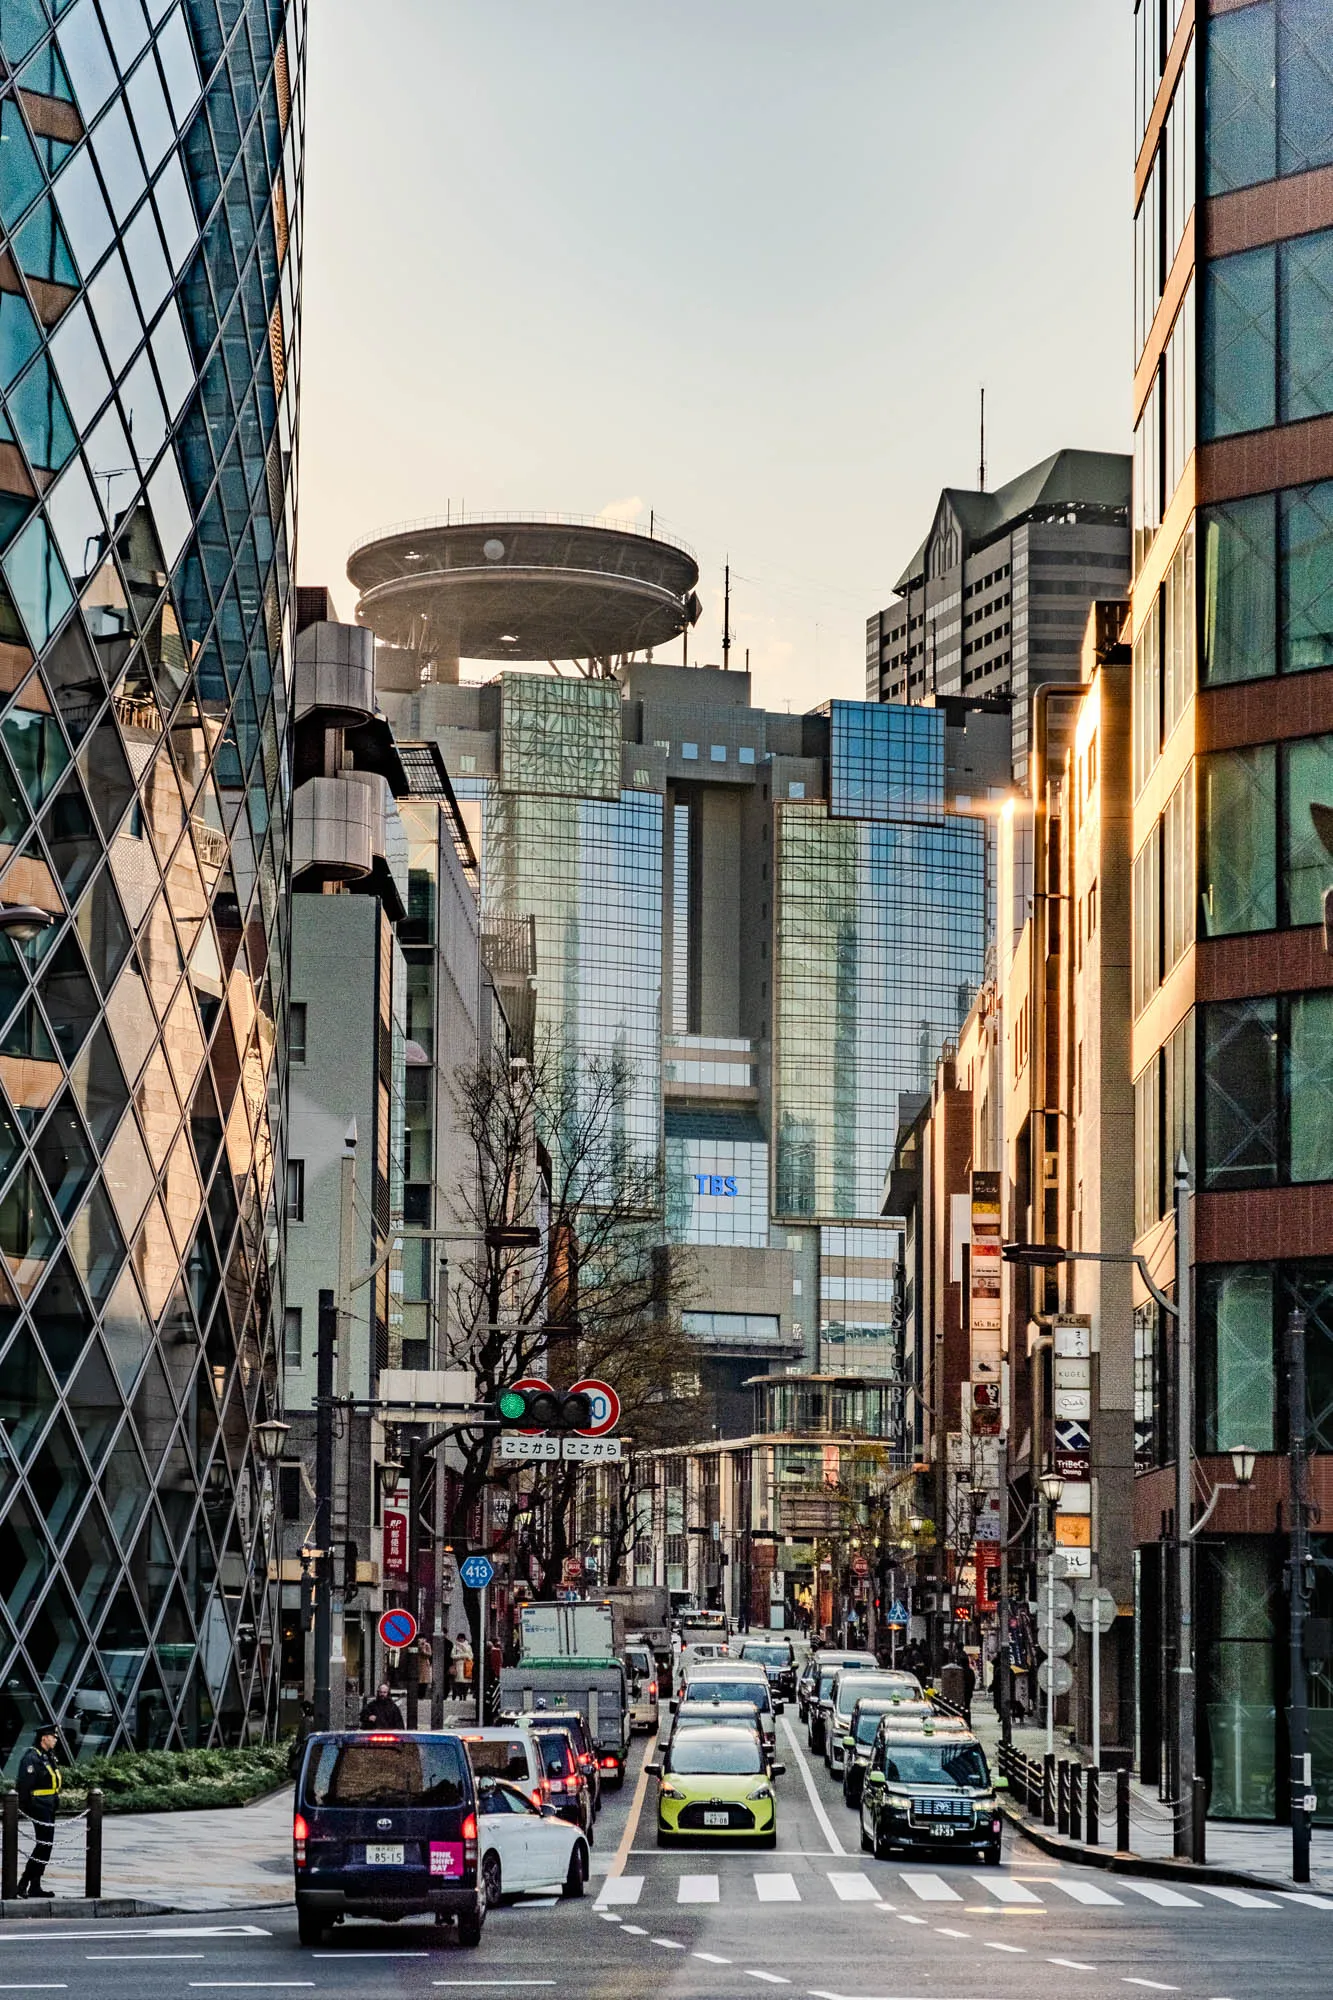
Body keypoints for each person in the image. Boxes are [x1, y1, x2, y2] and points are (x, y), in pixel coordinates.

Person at [16, 1722, 61, 1899]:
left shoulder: (47, 1756)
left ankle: (35, 1885)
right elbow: (25, 1786)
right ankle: (23, 1883)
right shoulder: (31, 1758)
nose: (56, 1740)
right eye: (53, 1737)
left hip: (49, 1805)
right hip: (39, 1805)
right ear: (44, 1738)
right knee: (43, 1845)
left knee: (46, 1846)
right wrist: (25, 1808)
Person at [286, 1699, 317, 1776]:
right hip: (306, 1744)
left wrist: (302, 1742)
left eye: (301, 1709)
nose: (300, 1711)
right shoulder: (311, 1719)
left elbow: (306, 1735)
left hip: (303, 1745)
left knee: (299, 1762)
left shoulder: (306, 1720)